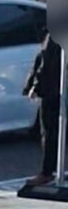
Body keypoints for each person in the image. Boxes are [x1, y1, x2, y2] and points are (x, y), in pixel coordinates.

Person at [23, 32, 63, 186]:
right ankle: (49, 171)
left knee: (50, 131)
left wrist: (35, 85)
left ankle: (47, 172)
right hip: (55, 87)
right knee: (52, 131)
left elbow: (46, 60)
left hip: (54, 89)